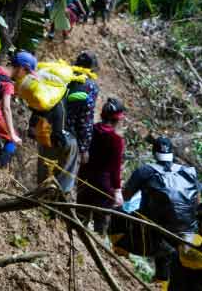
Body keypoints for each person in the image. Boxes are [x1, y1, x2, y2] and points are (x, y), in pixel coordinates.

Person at [117, 137, 200, 286]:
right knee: (167, 241)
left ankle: (119, 253)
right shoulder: (189, 172)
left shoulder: (145, 171)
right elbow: (196, 200)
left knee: (118, 213)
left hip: (155, 231)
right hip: (189, 232)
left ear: (154, 153)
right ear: (172, 154)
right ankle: (161, 280)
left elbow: (126, 197)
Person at [11, 50, 79, 194]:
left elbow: (55, 108)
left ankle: (49, 198)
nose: (13, 70)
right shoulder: (34, 86)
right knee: (48, 167)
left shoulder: (40, 89)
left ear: (24, 69)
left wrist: (57, 131)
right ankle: (46, 197)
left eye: (15, 67)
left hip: (54, 134)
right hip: (49, 132)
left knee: (50, 168)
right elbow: (41, 108)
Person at [76, 98, 126, 234]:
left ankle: (75, 241)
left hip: (84, 178)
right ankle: (97, 244)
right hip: (104, 185)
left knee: (80, 216)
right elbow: (115, 169)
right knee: (101, 222)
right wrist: (117, 191)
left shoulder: (90, 129)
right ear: (118, 120)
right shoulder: (116, 140)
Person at [65, 51, 100, 164]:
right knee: (62, 180)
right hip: (69, 139)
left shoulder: (64, 76)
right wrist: (84, 148)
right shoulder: (90, 86)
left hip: (50, 131)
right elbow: (85, 119)